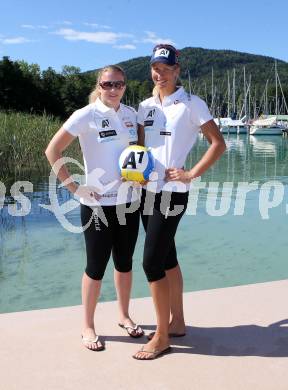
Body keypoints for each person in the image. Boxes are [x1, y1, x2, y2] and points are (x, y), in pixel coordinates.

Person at [133, 44, 226, 360]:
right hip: (147, 192)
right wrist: (137, 174)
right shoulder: (145, 106)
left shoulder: (191, 103)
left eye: (165, 68)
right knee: (167, 257)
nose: (160, 73)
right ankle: (178, 322)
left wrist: (191, 173)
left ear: (177, 71)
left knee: (151, 263)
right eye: (155, 68)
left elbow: (218, 144)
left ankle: (161, 337)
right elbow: (141, 148)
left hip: (172, 195)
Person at [45, 65, 144, 352]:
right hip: (97, 205)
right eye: (108, 84)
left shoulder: (130, 115)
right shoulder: (85, 115)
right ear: (99, 86)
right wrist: (73, 187)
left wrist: (139, 176)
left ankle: (124, 315)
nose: (113, 89)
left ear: (125, 86)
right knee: (95, 267)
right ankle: (88, 325)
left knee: (125, 263)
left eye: (119, 84)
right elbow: (53, 150)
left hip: (128, 202)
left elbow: (138, 153)